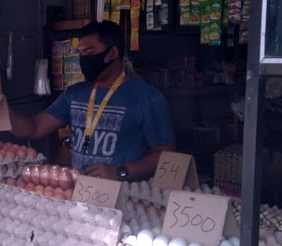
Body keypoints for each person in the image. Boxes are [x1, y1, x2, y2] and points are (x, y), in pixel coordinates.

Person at [9, 21, 175, 181]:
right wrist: (2, 112)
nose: (84, 60)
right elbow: (34, 128)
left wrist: (120, 171)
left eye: (89, 53)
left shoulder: (146, 97)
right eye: (80, 54)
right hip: (81, 196)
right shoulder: (74, 94)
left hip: (123, 199)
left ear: (112, 53)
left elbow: (166, 157)